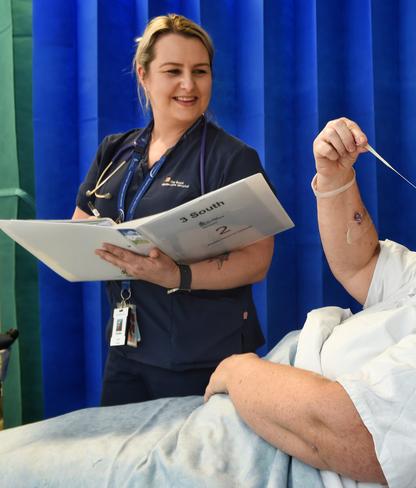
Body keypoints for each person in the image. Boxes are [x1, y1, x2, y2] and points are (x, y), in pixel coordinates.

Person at [0, 118, 416, 487]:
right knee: (19, 449)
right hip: (241, 422)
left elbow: (352, 437)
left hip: (265, 462)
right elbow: (361, 262)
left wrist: (241, 370)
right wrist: (334, 173)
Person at [72, 14, 274, 406]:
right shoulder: (114, 152)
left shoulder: (233, 160)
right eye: (173, 71)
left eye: (200, 71)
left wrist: (176, 274)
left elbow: (256, 261)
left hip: (206, 358)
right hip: (127, 351)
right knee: (121, 461)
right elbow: (80, 227)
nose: (188, 84)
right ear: (143, 74)